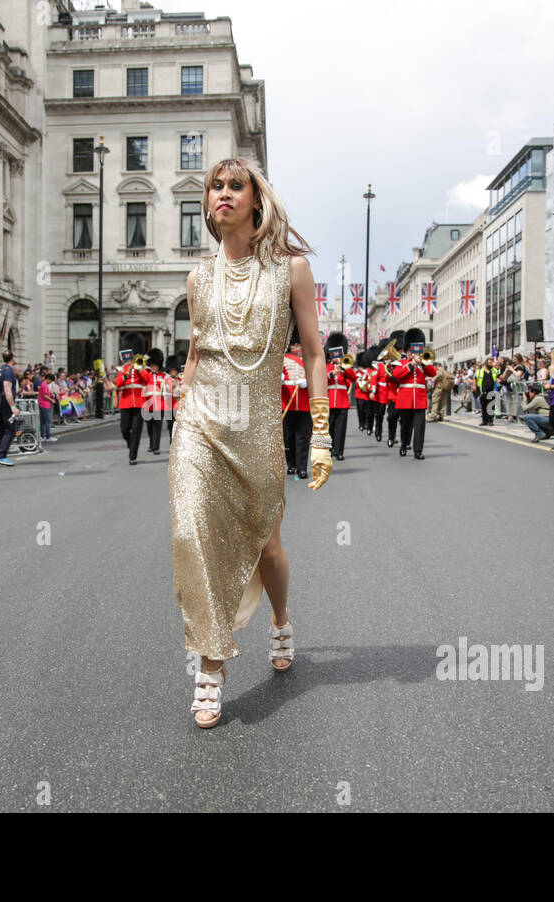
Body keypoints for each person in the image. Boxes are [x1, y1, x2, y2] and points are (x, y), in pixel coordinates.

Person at [169, 156, 331, 729]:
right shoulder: (197, 279)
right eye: (216, 186)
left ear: (256, 202)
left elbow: (314, 353)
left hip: (258, 428)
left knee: (267, 551)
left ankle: (280, 618)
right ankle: (210, 669)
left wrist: (319, 435)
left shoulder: (291, 271)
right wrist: (179, 413)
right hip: (201, 423)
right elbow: (194, 355)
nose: (224, 194)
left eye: (237, 185)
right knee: (193, 536)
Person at [389, 342, 434, 458]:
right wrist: (411, 364)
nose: (413, 354)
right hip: (406, 399)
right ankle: (404, 444)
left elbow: (433, 372)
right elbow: (397, 374)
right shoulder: (400, 363)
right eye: (411, 351)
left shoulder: (423, 363)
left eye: (415, 352)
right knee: (405, 425)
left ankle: (418, 451)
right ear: (407, 352)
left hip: (419, 398)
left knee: (420, 426)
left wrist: (423, 363)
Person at [281, 328, 310, 477]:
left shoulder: (308, 359)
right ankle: (291, 464)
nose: (297, 347)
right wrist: (280, 379)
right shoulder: (283, 359)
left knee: (302, 437)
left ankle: (302, 467)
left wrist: (308, 382)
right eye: (294, 344)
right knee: (288, 437)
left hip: (304, 403)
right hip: (287, 402)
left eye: (299, 344)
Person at [323, 332, 355, 461]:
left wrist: (344, 367)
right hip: (329, 399)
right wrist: (331, 373)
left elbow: (354, 377)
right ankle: (329, 449)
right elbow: (322, 380)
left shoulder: (345, 366)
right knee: (329, 426)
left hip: (342, 400)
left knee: (341, 428)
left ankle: (339, 451)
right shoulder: (326, 366)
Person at [114, 352, 149, 465]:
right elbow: (118, 384)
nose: (129, 362)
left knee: (136, 430)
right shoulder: (123, 370)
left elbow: (148, 379)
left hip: (139, 403)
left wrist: (139, 369)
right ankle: (131, 444)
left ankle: (132, 456)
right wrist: (126, 375)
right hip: (125, 402)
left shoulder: (141, 369)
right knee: (124, 429)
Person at [0, 350, 19, 466]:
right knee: (10, 429)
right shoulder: (8, 371)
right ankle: (2, 455)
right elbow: (7, 389)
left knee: (1, 428)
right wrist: (13, 406)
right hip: (5, 403)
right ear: (13, 358)